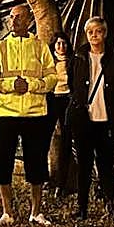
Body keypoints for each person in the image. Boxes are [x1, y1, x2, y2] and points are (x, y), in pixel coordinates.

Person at [0, 2, 57, 225]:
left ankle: (36, 212)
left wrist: (32, 85)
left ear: (29, 21)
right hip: (6, 113)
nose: (13, 21)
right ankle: (7, 212)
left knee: (36, 162)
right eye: (11, 17)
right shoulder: (0, 48)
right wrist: (11, 85)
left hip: (35, 113)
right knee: (2, 160)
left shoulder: (40, 47)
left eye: (19, 17)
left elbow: (52, 78)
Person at [67, 17, 114, 220]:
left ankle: (110, 206)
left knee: (105, 164)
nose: (94, 35)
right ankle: (82, 208)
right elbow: (71, 83)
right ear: (86, 34)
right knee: (83, 165)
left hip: (107, 119)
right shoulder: (78, 57)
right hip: (84, 118)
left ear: (105, 33)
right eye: (90, 32)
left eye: (98, 31)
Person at [47, 31, 73, 199]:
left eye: (64, 44)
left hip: (68, 100)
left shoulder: (73, 62)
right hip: (52, 99)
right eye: (58, 44)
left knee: (66, 141)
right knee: (45, 138)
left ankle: (61, 184)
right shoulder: (48, 62)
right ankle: (46, 180)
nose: (61, 47)